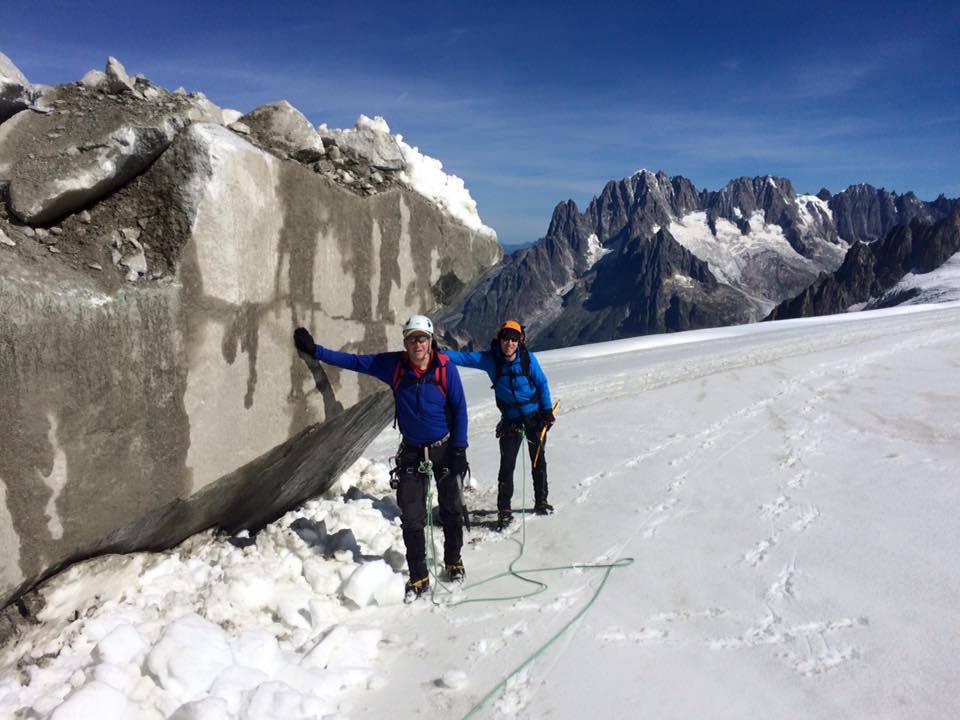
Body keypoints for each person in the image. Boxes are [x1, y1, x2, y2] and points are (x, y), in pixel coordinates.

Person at [293, 315, 469, 602]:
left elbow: (460, 408)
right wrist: (316, 352)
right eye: (412, 338)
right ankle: (418, 575)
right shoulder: (395, 366)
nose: (417, 344)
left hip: (444, 448)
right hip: (412, 452)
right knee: (412, 517)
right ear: (405, 342)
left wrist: (459, 450)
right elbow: (356, 362)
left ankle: (453, 560)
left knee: (450, 509)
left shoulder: (445, 369)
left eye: (422, 338)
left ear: (431, 341)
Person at [443, 320, 555, 530]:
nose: (509, 343)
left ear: (520, 340)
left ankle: (541, 501)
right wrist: (437, 353)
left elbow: (541, 384)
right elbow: (464, 358)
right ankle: (504, 510)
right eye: (506, 338)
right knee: (507, 467)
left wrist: (547, 411)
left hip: (534, 418)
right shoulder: (490, 360)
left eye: (514, 339)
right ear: (500, 339)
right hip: (511, 422)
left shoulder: (528, 360)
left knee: (538, 461)